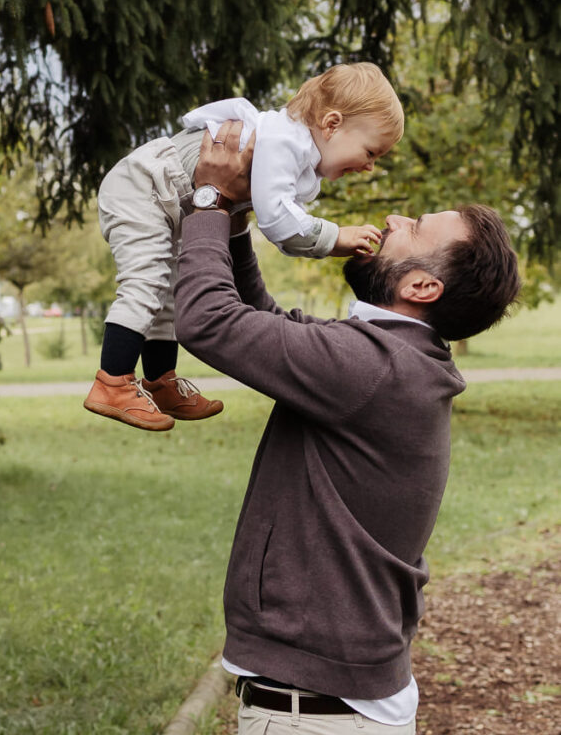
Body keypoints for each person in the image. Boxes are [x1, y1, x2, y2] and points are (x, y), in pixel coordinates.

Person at [174, 121, 521, 735]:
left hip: (314, 715)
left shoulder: (372, 367)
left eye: (413, 227)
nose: (392, 219)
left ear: (421, 286)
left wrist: (208, 198)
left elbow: (209, 321)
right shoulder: (394, 360)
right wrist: (235, 217)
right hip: (338, 705)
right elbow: (264, 320)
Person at [84, 63, 404, 432]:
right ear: (332, 124)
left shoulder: (298, 154)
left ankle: (160, 381)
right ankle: (112, 382)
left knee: (168, 291)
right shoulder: (284, 142)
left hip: (165, 201)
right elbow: (278, 220)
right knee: (146, 282)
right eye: (370, 151)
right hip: (142, 188)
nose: (370, 167)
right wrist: (334, 237)